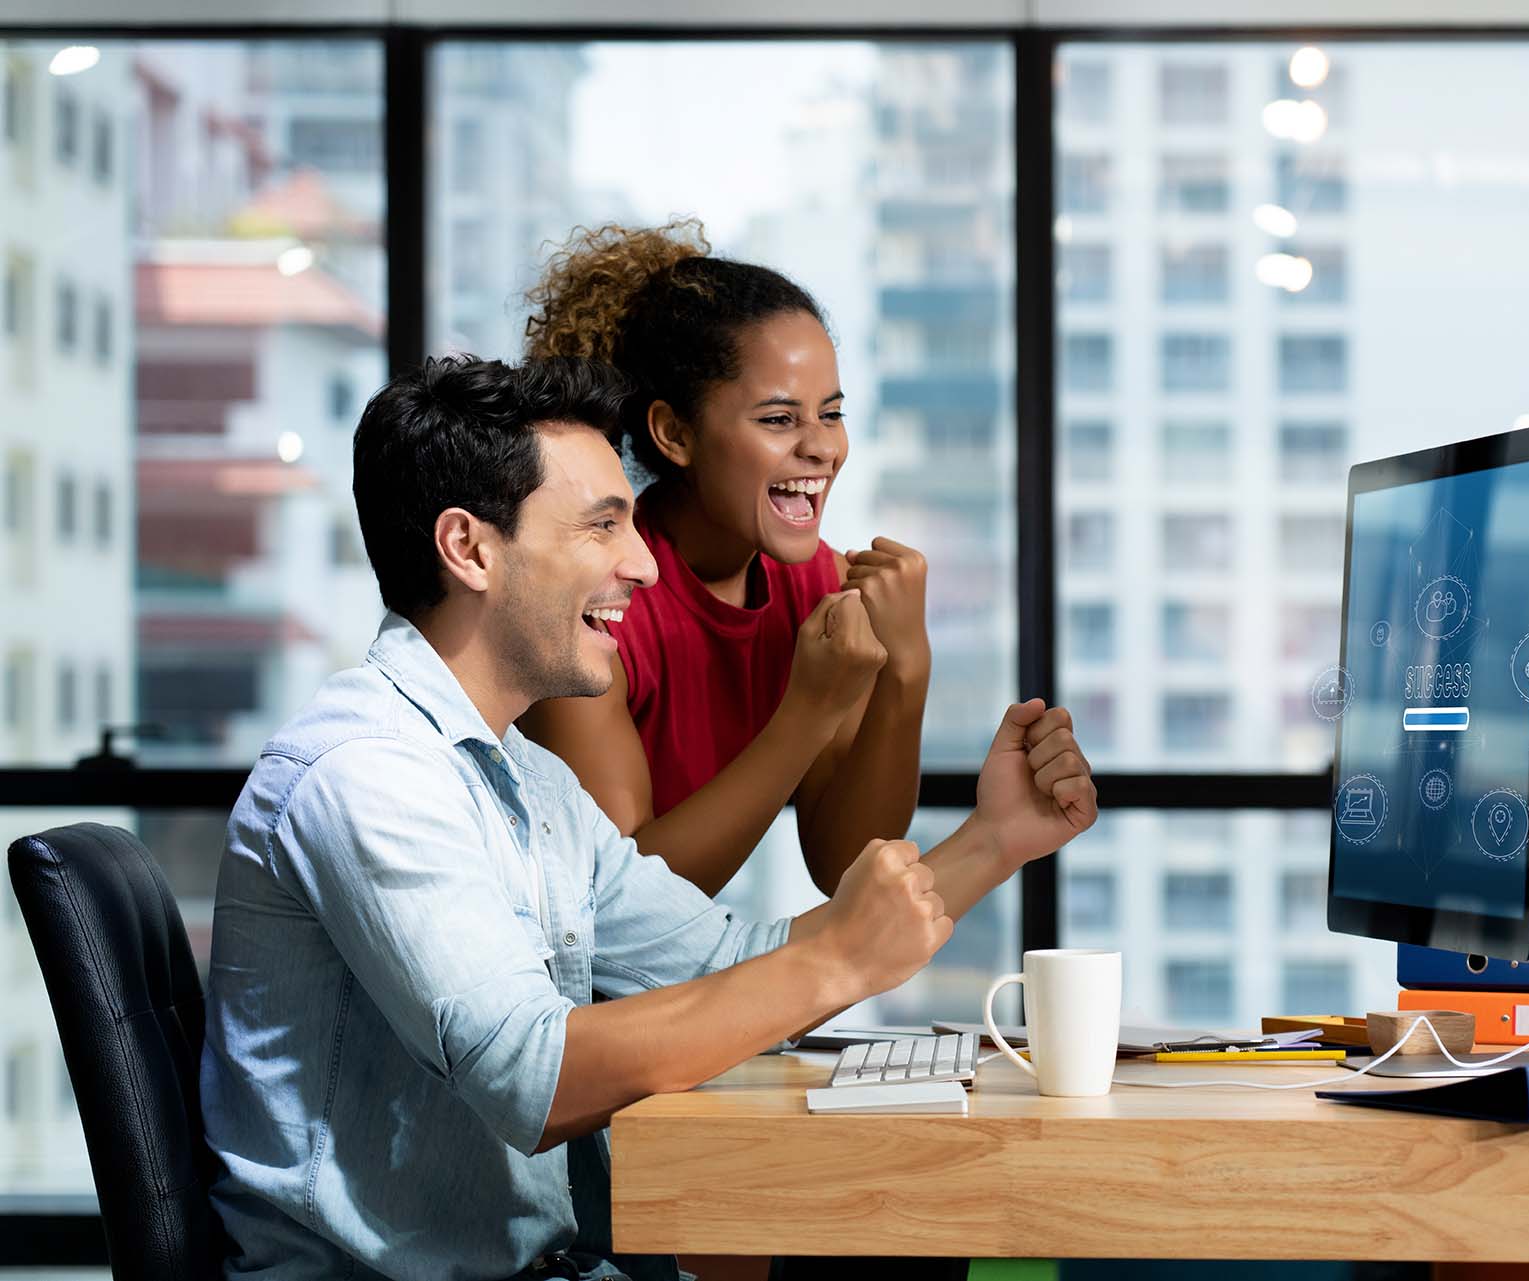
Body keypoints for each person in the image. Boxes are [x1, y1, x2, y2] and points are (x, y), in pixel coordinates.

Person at [198, 356, 1097, 1281]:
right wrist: (835, 958)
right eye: (601, 526)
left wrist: (996, 839)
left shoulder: (529, 783)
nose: (637, 563)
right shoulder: (369, 773)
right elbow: (531, 1074)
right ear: (469, 548)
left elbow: (735, 972)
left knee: (905, 1257)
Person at [519, 220, 925, 898]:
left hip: (683, 986)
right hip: (558, 991)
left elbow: (845, 865)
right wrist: (807, 709)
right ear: (675, 433)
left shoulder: (819, 587)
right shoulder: (591, 605)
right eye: (778, 419)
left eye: (831, 413)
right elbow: (621, 909)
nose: (822, 447)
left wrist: (907, 671)